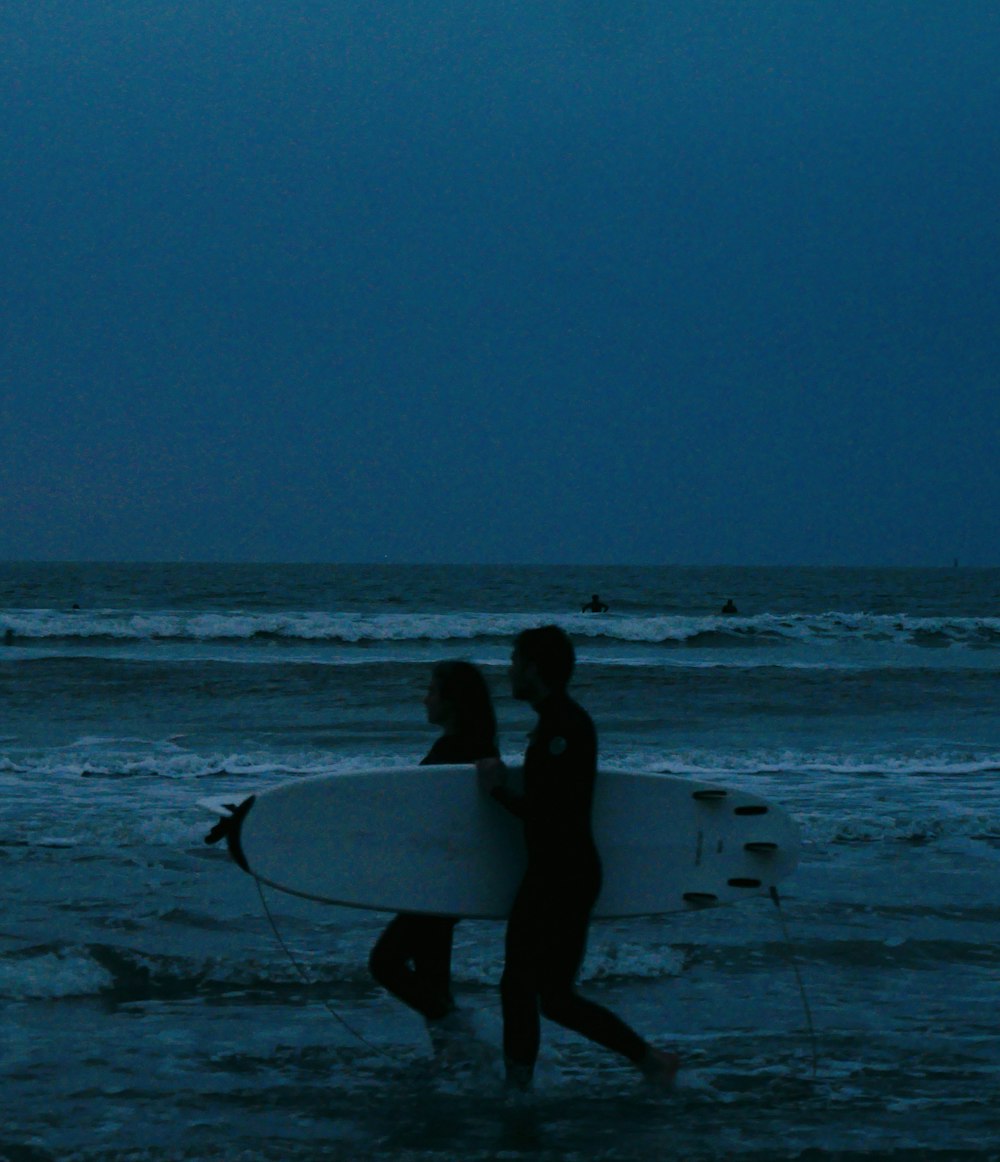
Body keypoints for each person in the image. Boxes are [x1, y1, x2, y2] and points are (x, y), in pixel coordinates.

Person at [477, 625, 679, 1090]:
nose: (508, 670)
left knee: (521, 987)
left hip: (559, 876)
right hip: (564, 872)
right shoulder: (557, 723)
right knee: (552, 996)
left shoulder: (563, 727)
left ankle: (518, 1091)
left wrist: (497, 793)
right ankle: (651, 1061)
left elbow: (548, 813)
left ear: (533, 667)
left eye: (513, 660)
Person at [368, 660, 499, 1041]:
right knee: (431, 976)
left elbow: (427, 813)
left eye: (431, 691)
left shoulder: (454, 751)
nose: (425, 699)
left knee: (385, 964)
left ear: (452, 700)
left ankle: (465, 1036)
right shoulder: (475, 747)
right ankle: (453, 1060)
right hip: (449, 880)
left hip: (437, 884)